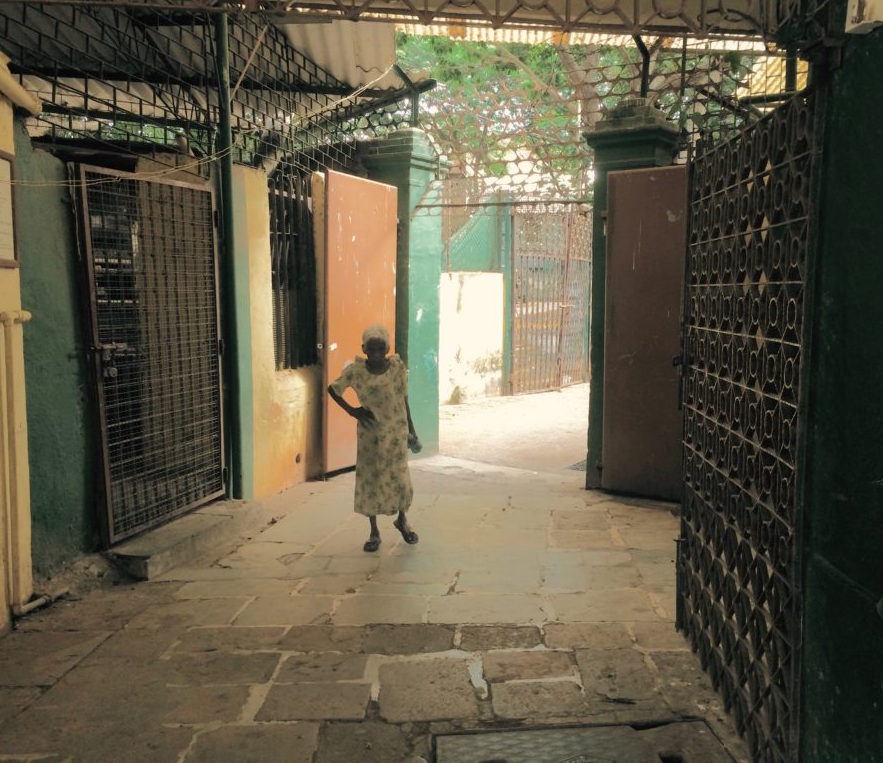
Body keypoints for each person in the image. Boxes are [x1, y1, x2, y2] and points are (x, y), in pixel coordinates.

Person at [327, 324, 421, 552]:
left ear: (388, 348)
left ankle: (402, 520)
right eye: (371, 350)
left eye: (381, 349)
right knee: (371, 480)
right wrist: (353, 411)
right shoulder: (356, 371)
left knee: (399, 479)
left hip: (396, 434)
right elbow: (333, 389)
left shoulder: (397, 367)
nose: (376, 355)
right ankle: (374, 532)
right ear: (364, 349)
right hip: (371, 436)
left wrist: (412, 429)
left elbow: (404, 399)